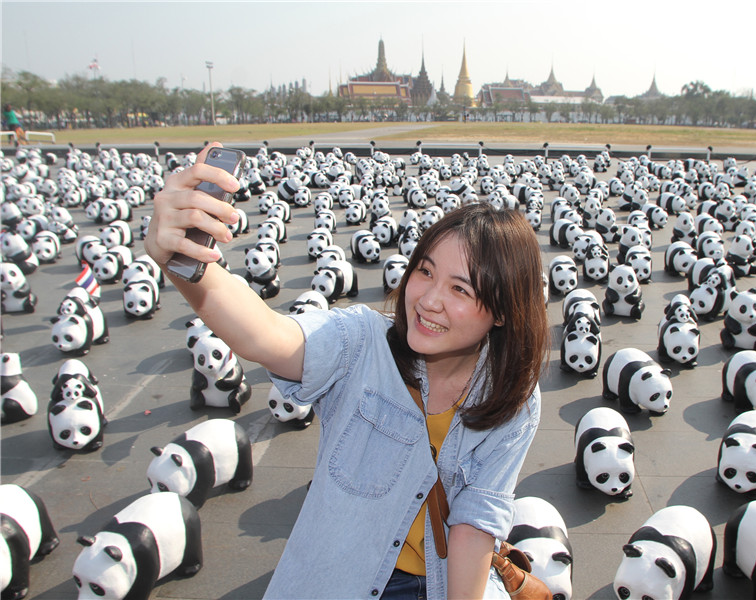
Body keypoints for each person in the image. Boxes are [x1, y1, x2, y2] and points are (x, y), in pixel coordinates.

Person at [144, 143, 551, 599]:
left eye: (460, 288)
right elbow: (266, 336)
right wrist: (181, 258)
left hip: (438, 584)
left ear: (502, 311)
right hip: (340, 579)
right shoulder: (360, 343)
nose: (429, 299)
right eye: (425, 272)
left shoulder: (513, 397)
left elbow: (475, 523)